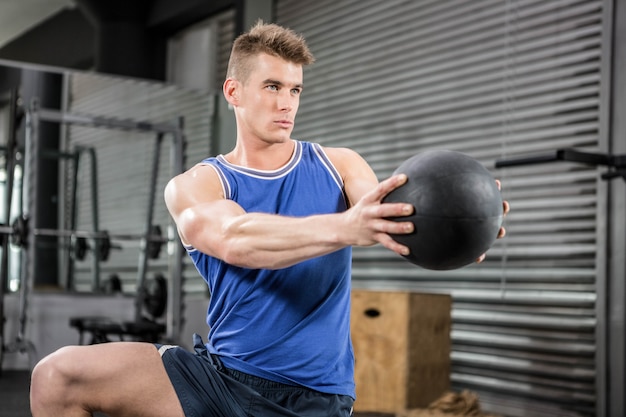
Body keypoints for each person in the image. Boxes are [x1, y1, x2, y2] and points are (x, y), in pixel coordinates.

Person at [30, 21, 509, 417]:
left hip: (313, 398)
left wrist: (459, 225)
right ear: (233, 91)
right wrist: (345, 227)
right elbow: (236, 238)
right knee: (56, 376)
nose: (287, 104)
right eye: (273, 87)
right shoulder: (198, 184)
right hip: (219, 380)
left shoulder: (339, 165)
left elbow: (391, 217)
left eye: (295, 89)